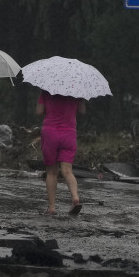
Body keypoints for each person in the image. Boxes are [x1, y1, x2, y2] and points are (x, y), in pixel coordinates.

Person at [36, 88, 86, 216]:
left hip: (50, 133)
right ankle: (75, 198)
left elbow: (39, 111)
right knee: (68, 171)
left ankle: (52, 208)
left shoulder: (46, 90)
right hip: (69, 134)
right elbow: (82, 110)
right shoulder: (76, 91)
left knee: (52, 173)